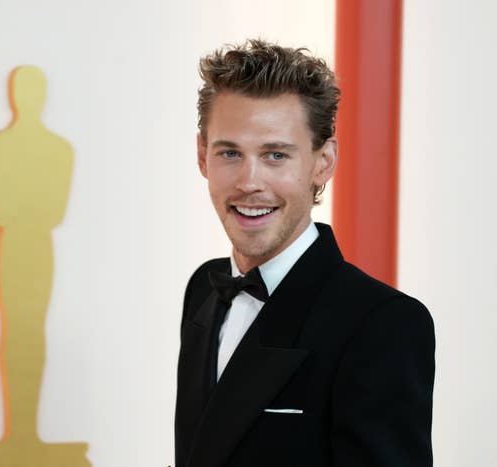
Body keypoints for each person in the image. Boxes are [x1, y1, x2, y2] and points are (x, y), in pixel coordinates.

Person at [175, 39, 435, 467]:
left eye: (275, 155)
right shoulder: (202, 289)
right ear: (203, 156)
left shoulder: (385, 324)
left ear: (323, 162)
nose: (248, 182)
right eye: (229, 153)